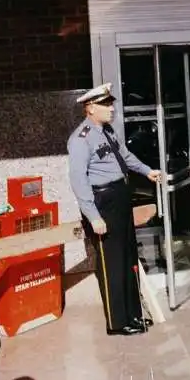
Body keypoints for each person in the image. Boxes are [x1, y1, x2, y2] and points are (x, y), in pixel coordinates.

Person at [67, 83, 163, 336]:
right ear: (90, 108)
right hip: (103, 202)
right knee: (112, 262)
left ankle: (133, 313)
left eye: (111, 103)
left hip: (120, 195)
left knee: (128, 256)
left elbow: (126, 156)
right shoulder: (80, 139)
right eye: (106, 105)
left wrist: (147, 171)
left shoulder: (107, 131)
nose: (111, 109)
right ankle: (117, 322)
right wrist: (94, 216)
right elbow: (78, 181)